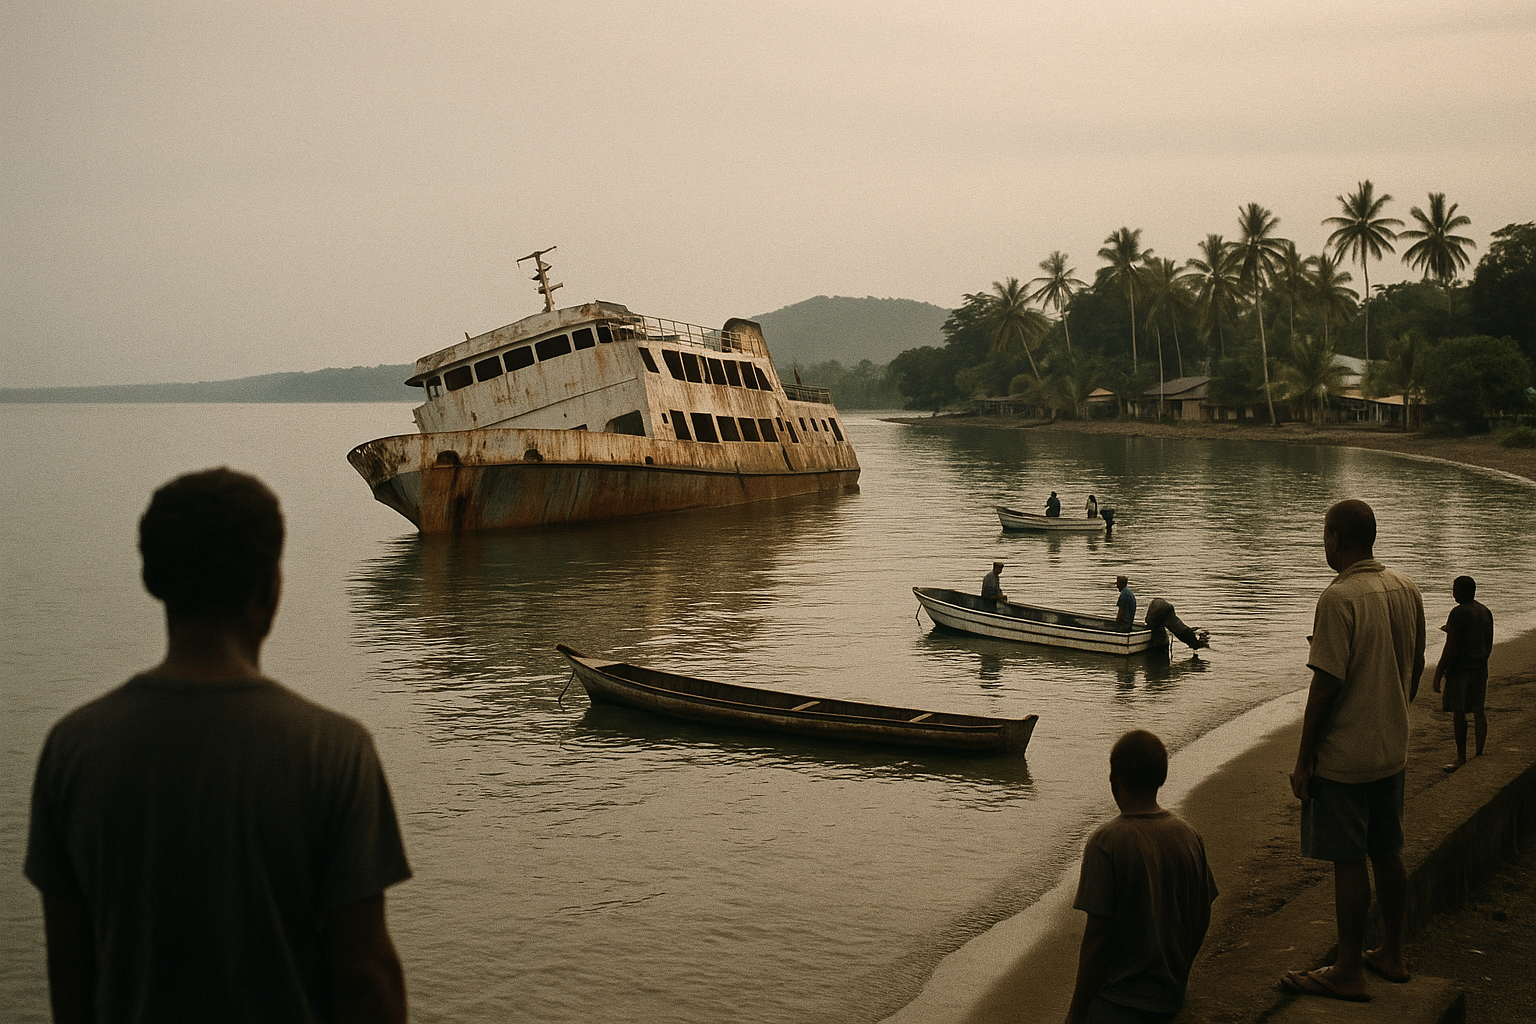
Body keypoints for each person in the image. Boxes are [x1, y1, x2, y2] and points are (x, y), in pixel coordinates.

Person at [25, 468, 411, 1023]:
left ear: (152, 579)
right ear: (270, 586)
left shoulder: (74, 749)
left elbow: (69, 968)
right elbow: (364, 974)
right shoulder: (333, 752)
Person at [1283, 499, 1425, 1002]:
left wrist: (1304, 759)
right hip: (1392, 748)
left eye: (1325, 533)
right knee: (1387, 850)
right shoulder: (1405, 588)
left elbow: (1325, 687)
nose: (1324, 541)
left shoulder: (1339, 598)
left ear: (1336, 540)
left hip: (1346, 757)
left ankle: (1347, 969)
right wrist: (1391, 713)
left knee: (1348, 860)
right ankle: (1392, 952)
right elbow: (1416, 664)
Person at [1065, 730, 1219, 1024]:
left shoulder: (1106, 843)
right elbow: (1203, 913)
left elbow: (1097, 939)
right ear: (1160, 779)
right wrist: (1180, 968)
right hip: (1170, 995)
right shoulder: (1188, 835)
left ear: (1114, 782)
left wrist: (1077, 1010)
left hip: (1119, 1001)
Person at [1432, 575, 1493, 773]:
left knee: (1459, 713)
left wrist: (1439, 672)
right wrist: (1482, 660)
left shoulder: (1458, 613)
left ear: (1464, 592)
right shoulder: (1485, 611)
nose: (1453, 593)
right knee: (1478, 711)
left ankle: (1461, 758)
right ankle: (1480, 753)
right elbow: (1489, 641)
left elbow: (1451, 646)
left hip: (1461, 670)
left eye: (1455, 590)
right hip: (1480, 666)